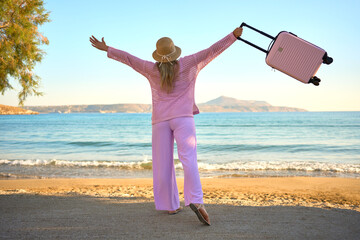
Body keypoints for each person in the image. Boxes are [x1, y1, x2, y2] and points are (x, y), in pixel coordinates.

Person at [90, 27, 243, 226]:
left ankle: (171, 205)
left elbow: (129, 59)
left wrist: (107, 49)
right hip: (183, 119)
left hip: (160, 121)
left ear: (158, 55)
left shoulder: (151, 68)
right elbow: (212, 50)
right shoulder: (188, 63)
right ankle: (197, 201)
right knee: (189, 161)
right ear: (174, 51)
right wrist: (233, 36)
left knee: (162, 164)